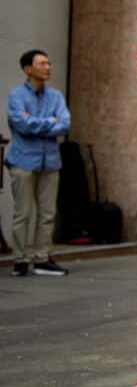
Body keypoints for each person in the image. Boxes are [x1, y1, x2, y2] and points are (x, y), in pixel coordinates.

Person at [6, 50, 71, 276]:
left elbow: (63, 124)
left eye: (49, 63)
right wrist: (48, 122)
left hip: (50, 162)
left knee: (47, 213)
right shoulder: (16, 96)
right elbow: (21, 124)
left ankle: (42, 258)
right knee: (22, 213)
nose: (48, 67)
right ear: (28, 69)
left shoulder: (56, 97)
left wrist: (39, 124)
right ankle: (20, 260)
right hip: (23, 160)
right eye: (42, 63)